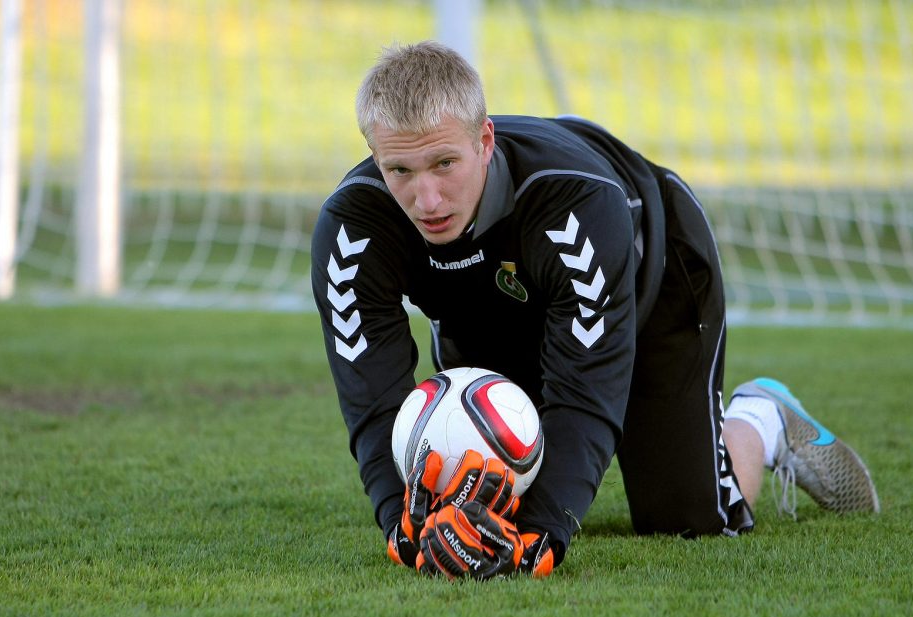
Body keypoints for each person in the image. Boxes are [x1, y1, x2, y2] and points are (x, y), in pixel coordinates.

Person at [311, 41, 879, 579]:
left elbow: (585, 391)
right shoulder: (353, 226)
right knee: (467, 494)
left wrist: (543, 534)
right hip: (487, 307)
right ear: (374, 158)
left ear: (485, 142)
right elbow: (373, 396)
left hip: (650, 278)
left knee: (686, 517)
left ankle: (763, 419)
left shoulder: (572, 202)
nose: (426, 199)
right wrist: (401, 523)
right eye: (400, 172)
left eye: (444, 164)